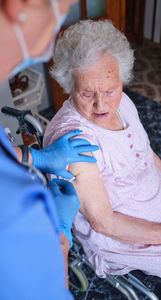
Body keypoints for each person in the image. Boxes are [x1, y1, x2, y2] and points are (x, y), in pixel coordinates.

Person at [44, 20, 161, 300]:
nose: (101, 105)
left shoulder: (123, 102)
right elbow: (104, 223)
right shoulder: (76, 141)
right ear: (69, 84)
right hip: (136, 240)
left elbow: (143, 149)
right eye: (87, 93)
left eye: (109, 90)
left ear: (120, 78)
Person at [0, 1, 99, 300]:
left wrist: (35, 157)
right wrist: (61, 234)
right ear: (19, 5)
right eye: (64, 7)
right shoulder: (13, 215)